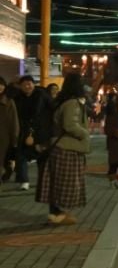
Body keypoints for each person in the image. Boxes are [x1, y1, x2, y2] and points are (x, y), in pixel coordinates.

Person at [35, 74, 89, 225]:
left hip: (58, 147)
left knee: (55, 181)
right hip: (68, 146)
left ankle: (55, 213)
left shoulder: (61, 101)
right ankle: (60, 214)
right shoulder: (72, 103)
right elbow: (70, 125)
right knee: (67, 183)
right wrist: (85, 133)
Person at [13, 75, 54, 191]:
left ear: (33, 84)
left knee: (42, 157)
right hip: (24, 131)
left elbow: (53, 109)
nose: (27, 86)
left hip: (41, 131)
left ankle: (43, 181)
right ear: (20, 86)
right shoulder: (17, 98)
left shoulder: (42, 95)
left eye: (29, 83)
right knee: (21, 156)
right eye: (24, 84)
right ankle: (24, 181)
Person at [0, 77, 19, 188]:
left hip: (4, 137)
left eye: (1, 85)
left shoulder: (9, 102)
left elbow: (14, 122)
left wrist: (14, 139)